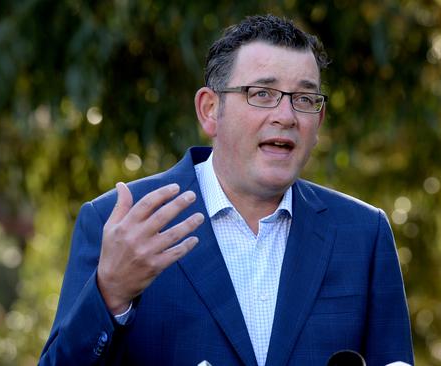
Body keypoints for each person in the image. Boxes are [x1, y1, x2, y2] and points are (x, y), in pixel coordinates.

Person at [40, 14, 413, 366]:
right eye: (261, 93)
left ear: (319, 120)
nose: (286, 116)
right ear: (209, 110)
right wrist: (110, 295)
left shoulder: (363, 234)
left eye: (304, 99)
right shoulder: (121, 222)